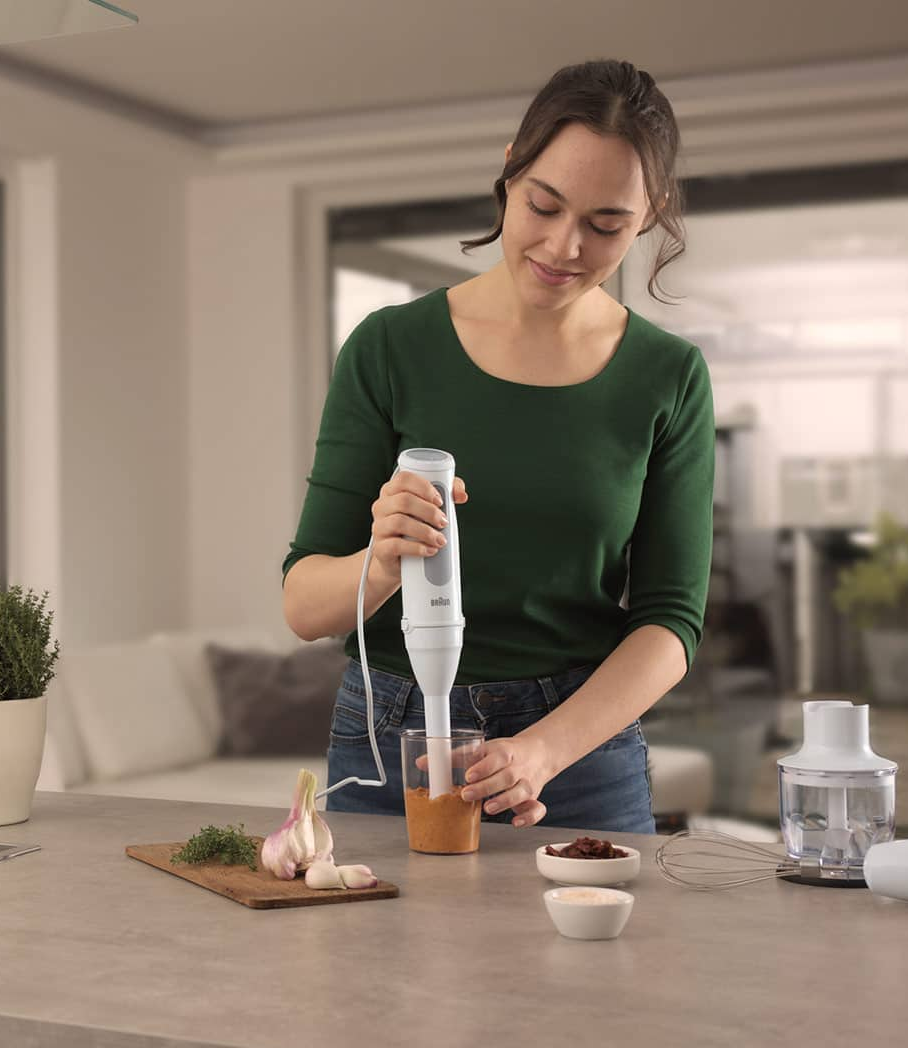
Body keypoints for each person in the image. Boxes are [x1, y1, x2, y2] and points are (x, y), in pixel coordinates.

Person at [281, 59, 714, 834]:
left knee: (601, 960)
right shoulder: (390, 348)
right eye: (543, 204)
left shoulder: (668, 376)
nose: (563, 245)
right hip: (391, 736)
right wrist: (381, 562)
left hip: (579, 752)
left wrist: (542, 752)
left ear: (650, 216)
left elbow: (671, 620)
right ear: (509, 171)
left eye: (605, 224)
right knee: (374, 958)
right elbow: (305, 606)